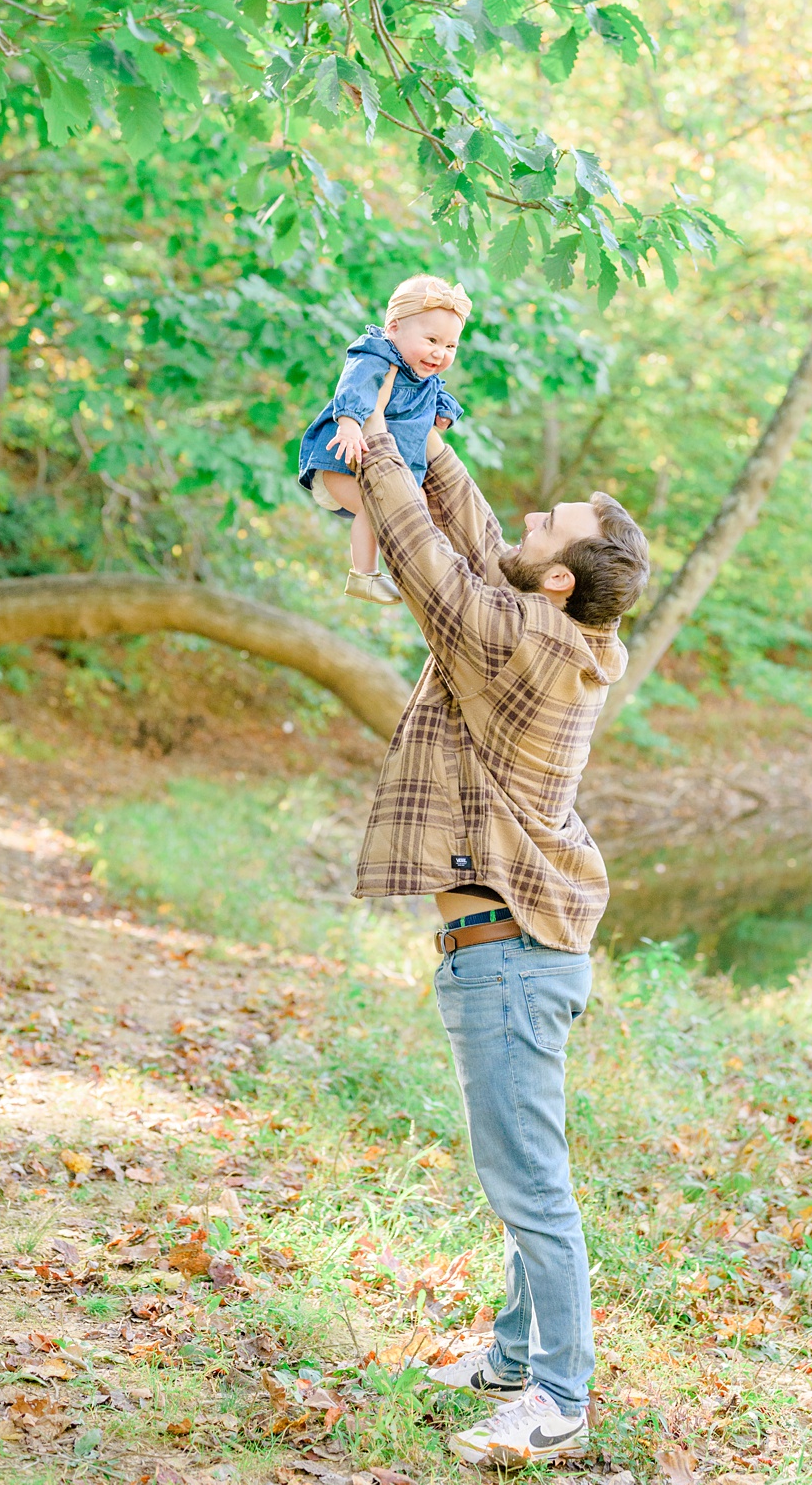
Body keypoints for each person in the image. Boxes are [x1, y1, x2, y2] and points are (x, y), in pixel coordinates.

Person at [345, 377, 651, 1467]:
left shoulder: (517, 642)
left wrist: (377, 447)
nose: (526, 518)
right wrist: (422, 433)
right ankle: (516, 1355)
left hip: (510, 955)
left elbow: (433, 562)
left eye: (548, 523)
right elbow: (472, 535)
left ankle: (558, 1397)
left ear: (560, 576)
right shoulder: (553, 628)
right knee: (523, 1168)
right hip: (512, 950)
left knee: (530, 1186)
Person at [295, 275, 470, 604]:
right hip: (346, 460)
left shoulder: (422, 375)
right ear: (393, 329)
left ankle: (415, 571)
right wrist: (348, 424)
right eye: (432, 339)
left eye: (450, 346)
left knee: (417, 504)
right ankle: (364, 575)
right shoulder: (377, 355)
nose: (440, 353)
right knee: (378, 508)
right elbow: (354, 385)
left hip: (393, 470)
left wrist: (444, 412)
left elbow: (439, 390)